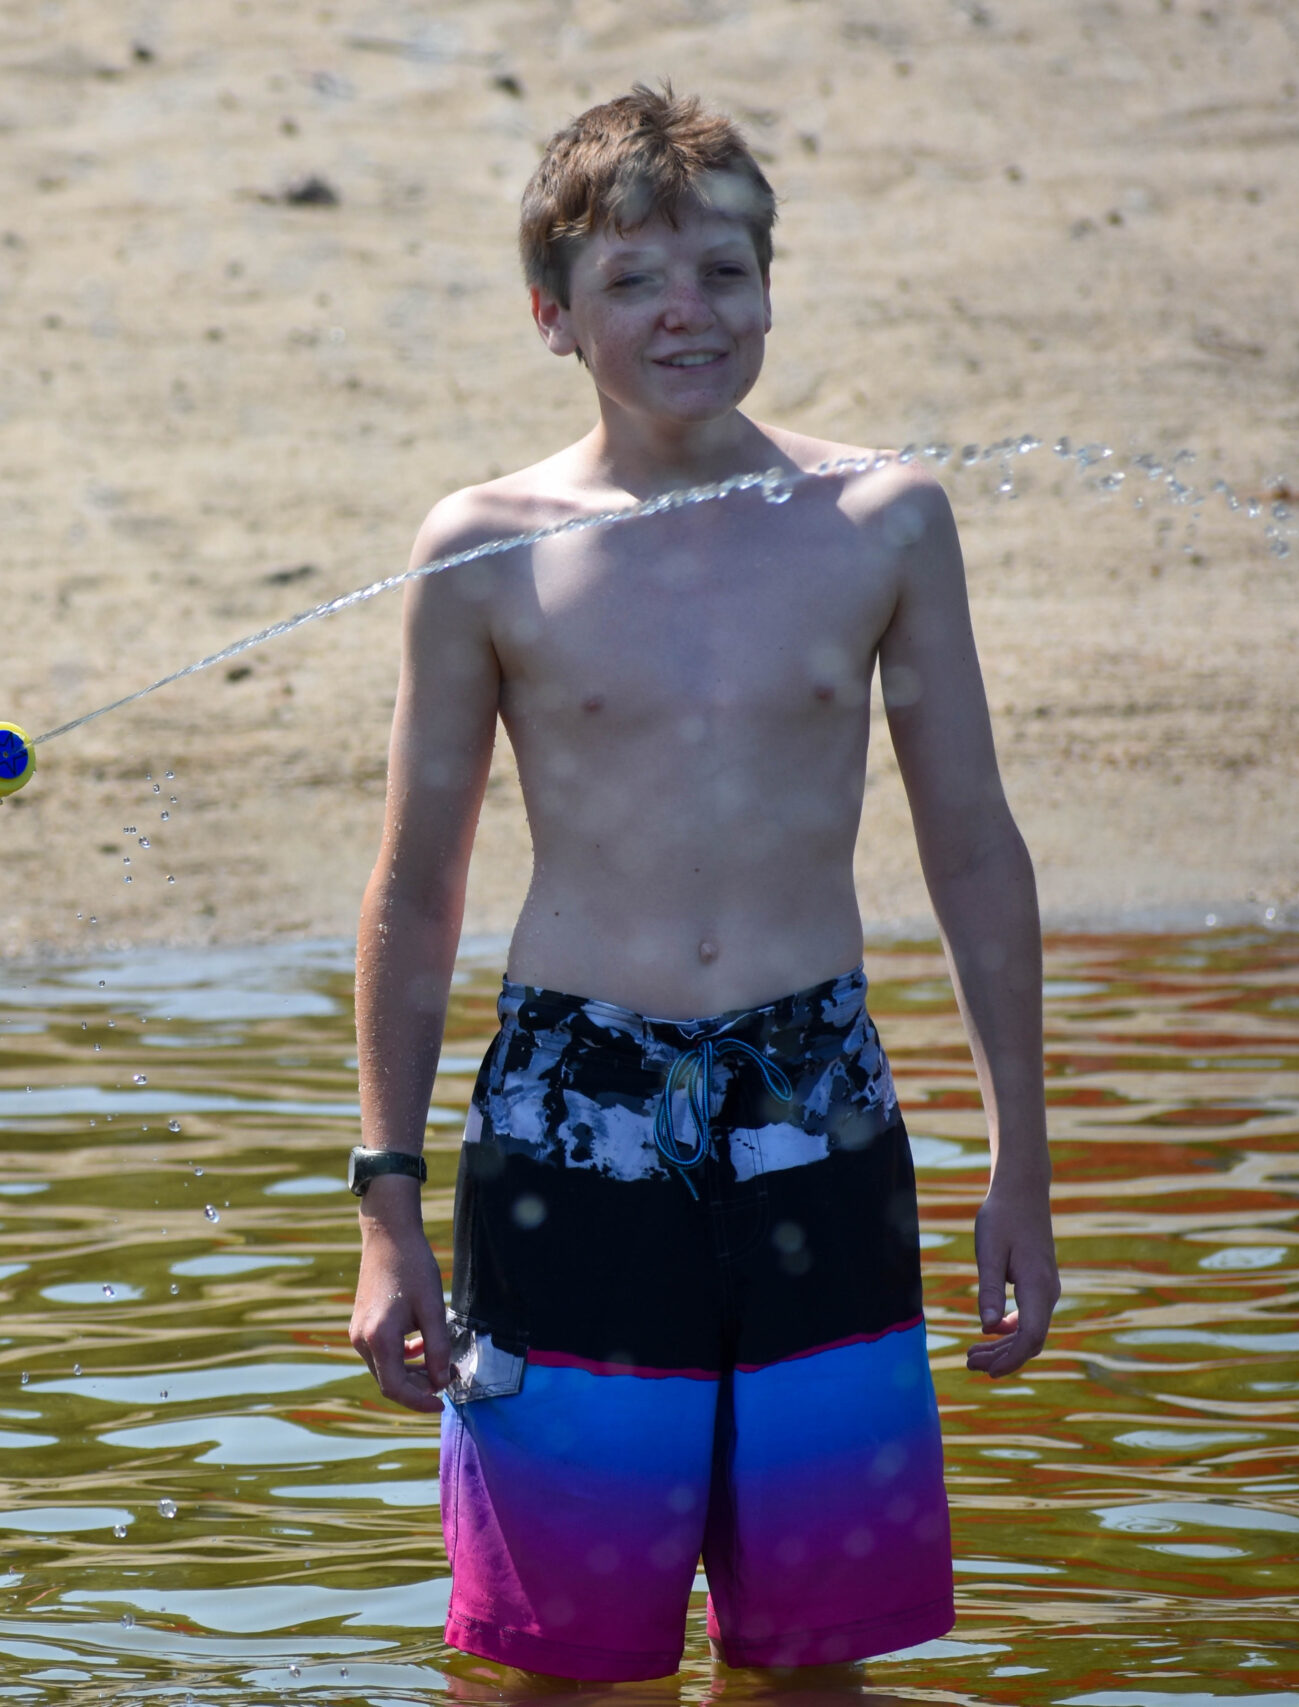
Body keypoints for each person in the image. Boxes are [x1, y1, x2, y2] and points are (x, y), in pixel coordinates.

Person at [345, 87, 1060, 1684]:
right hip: (572, 1118)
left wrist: (1021, 1157)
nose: (690, 312)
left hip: (819, 1109)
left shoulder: (881, 522)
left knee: (816, 1662)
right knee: (563, 1665)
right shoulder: (485, 546)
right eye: (635, 280)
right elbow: (417, 885)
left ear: (770, 288)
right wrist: (387, 1206)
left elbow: (971, 845)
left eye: (725, 272)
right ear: (553, 315)